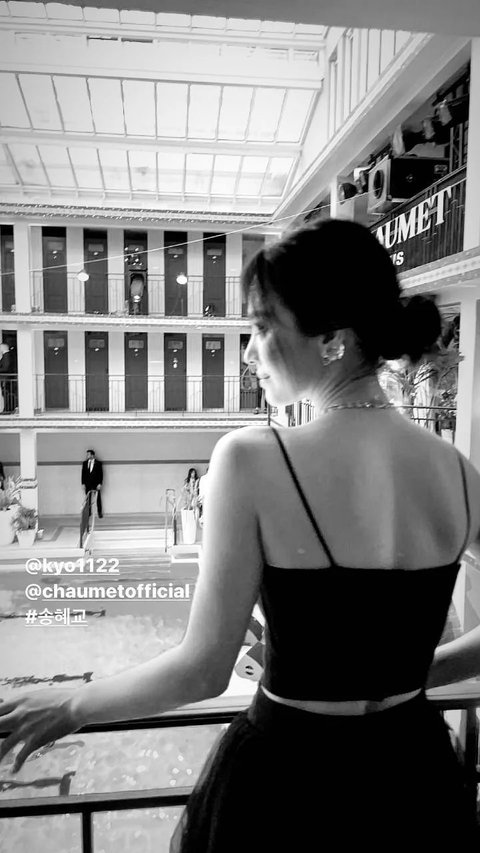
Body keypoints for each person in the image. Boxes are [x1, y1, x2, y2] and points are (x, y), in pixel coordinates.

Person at [1, 219, 480, 848]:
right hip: (415, 780)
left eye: (262, 327)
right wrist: (414, 676)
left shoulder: (253, 459)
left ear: (332, 339)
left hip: (288, 785)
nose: (249, 354)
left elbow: (201, 671)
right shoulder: (459, 472)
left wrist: (70, 706)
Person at [81, 449, 103, 519]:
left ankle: (99, 512)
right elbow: (83, 474)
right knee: (88, 499)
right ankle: (88, 512)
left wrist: (100, 483)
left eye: (88, 454)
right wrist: (83, 483)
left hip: (96, 484)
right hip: (87, 484)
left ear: (92, 455)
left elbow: (101, 474)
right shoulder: (84, 463)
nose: (87, 455)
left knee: (98, 499)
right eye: (87, 454)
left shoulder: (98, 463)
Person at [0, 342, 16, 414]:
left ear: (3, 348)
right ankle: (7, 409)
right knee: (6, 394)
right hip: (7, 379)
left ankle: (8, 409)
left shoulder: (7, 355)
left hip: (6, 379)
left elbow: (6, 368)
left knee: (7, 394)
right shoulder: (8, 355)